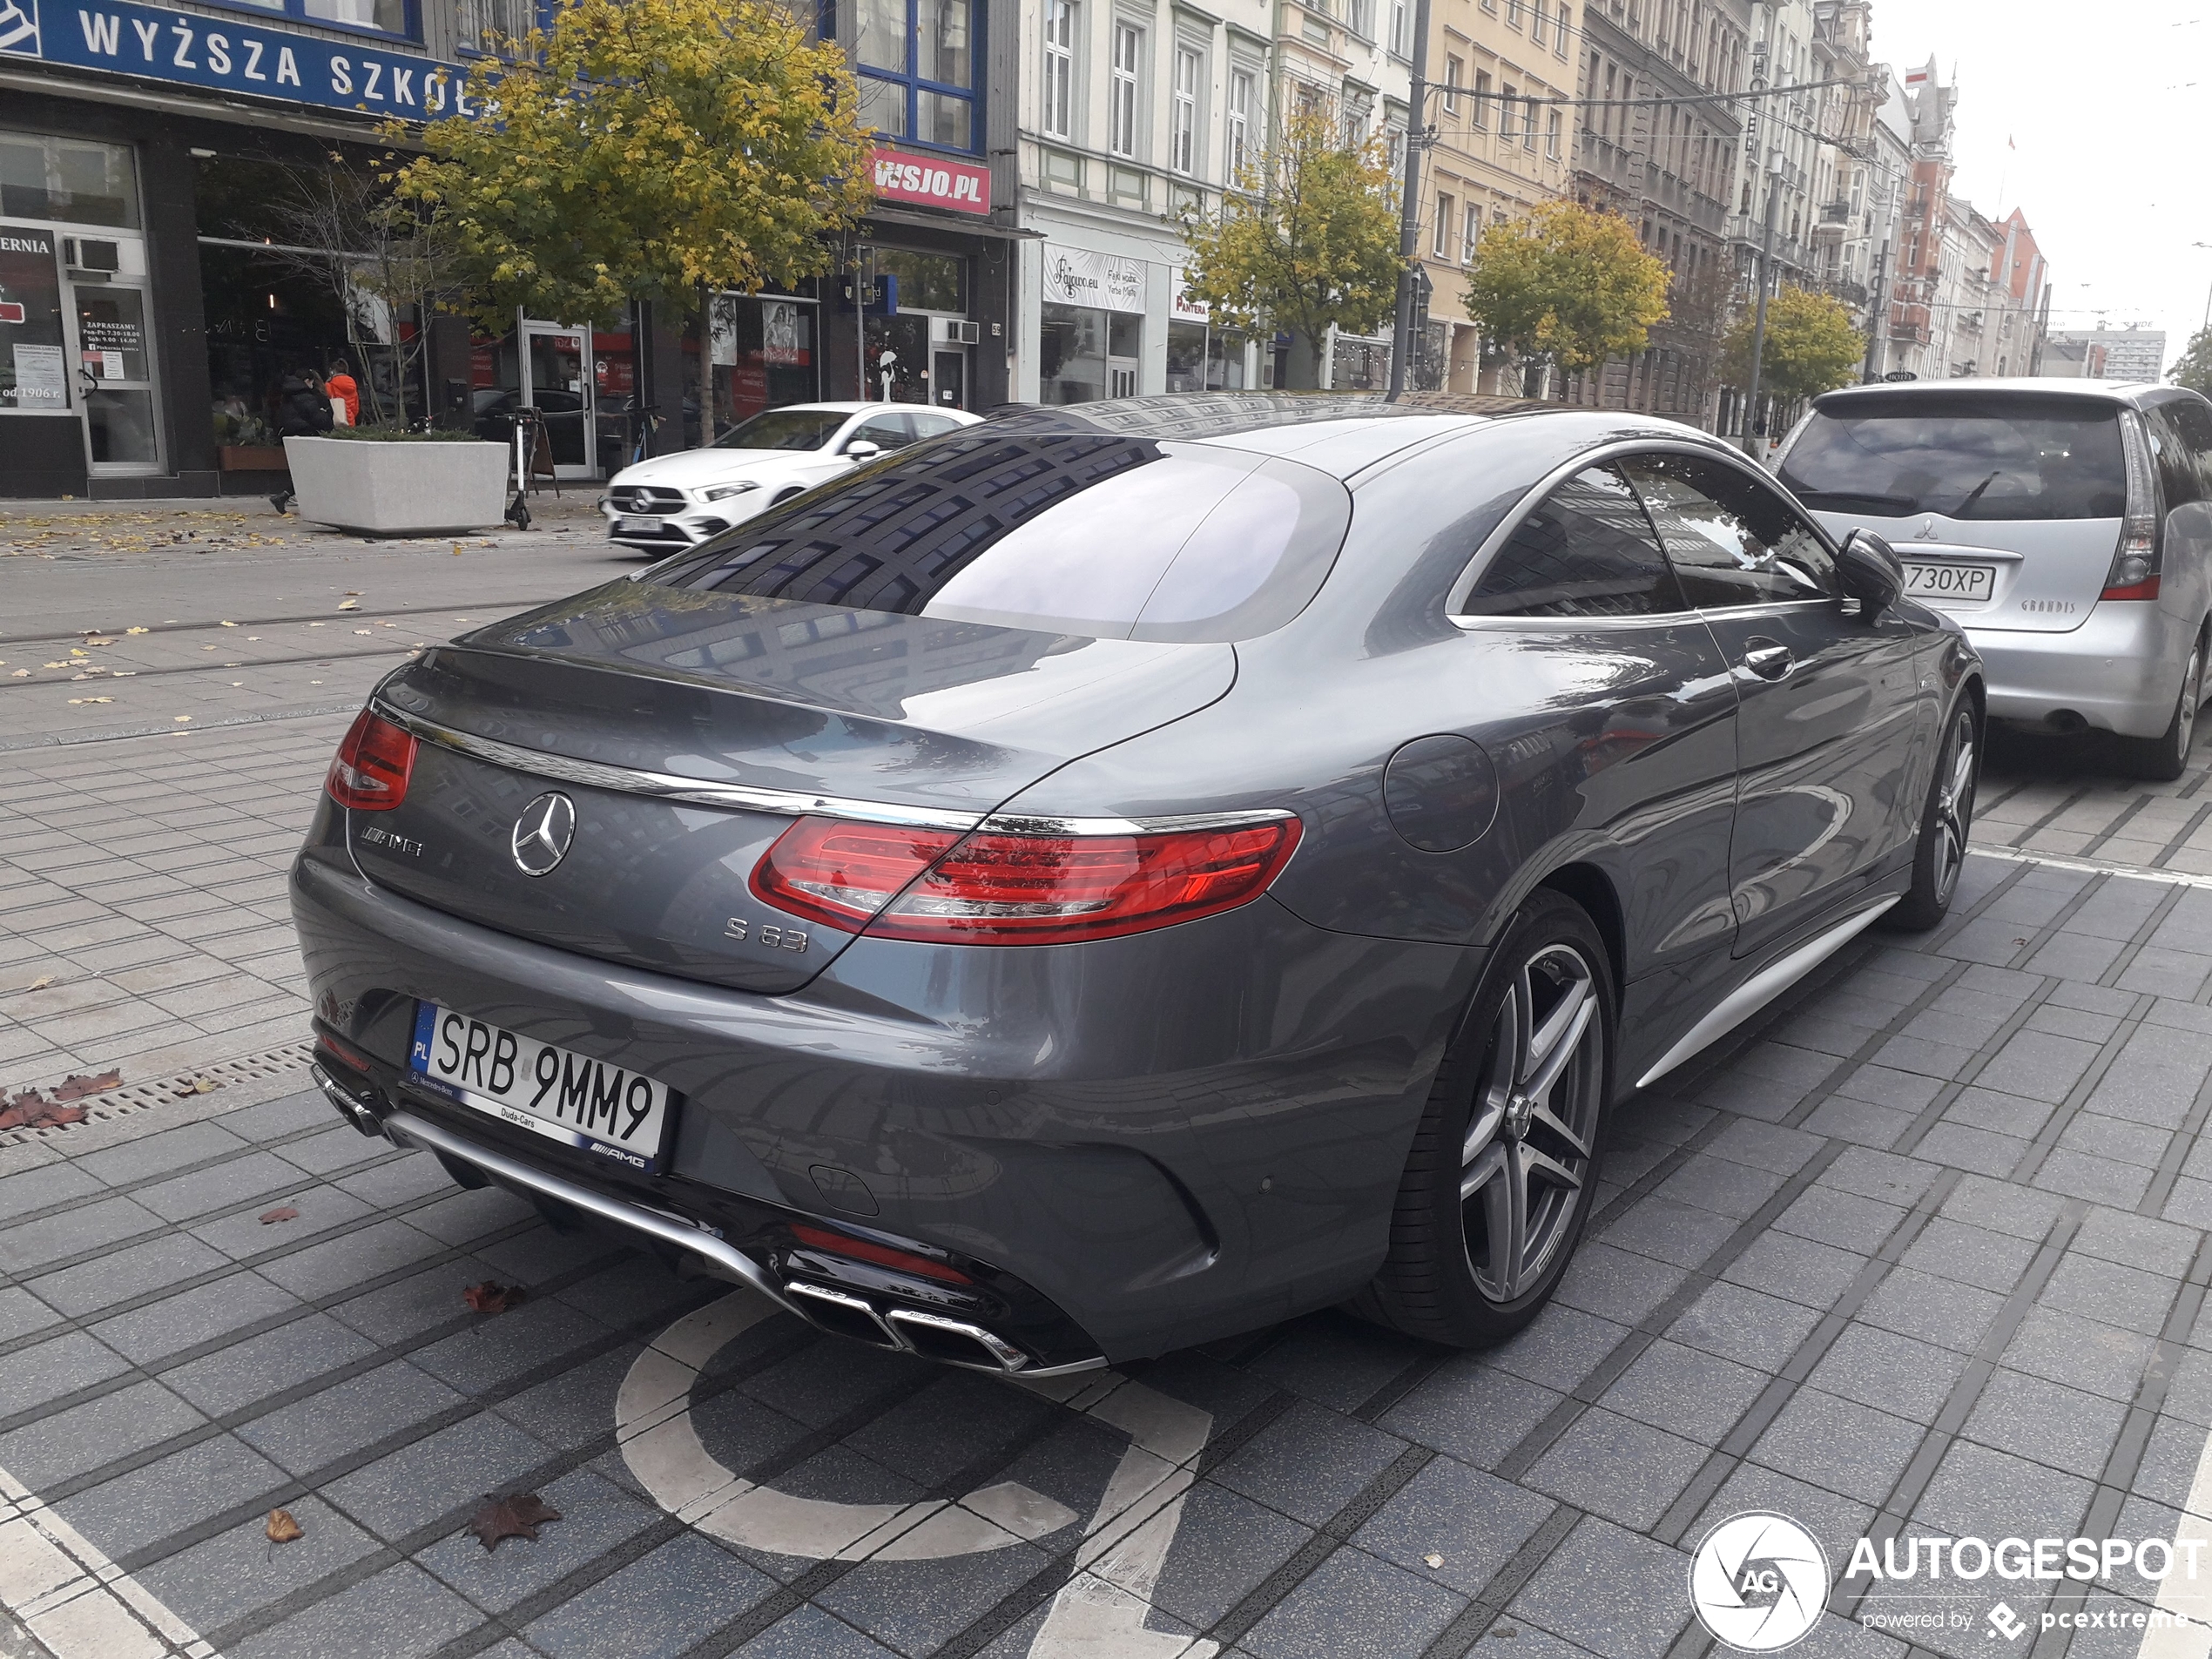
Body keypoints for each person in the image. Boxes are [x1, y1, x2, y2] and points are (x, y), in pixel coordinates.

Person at [269, 370, 331, 512]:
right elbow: (317, 418)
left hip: (292, 434)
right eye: (311, 382)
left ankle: (284, 496)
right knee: (311, 469)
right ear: (307, 380)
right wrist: (325, 415)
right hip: (305, 434)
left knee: (304, 469)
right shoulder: (304, 395)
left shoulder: (289, 394)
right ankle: (285, 496)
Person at [325, 360, 361, 428]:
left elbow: (329, 400)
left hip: (337, 420)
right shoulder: (352, 383)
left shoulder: (330, 384)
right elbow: (356, 406)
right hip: (351, 420)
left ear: (332, 371)